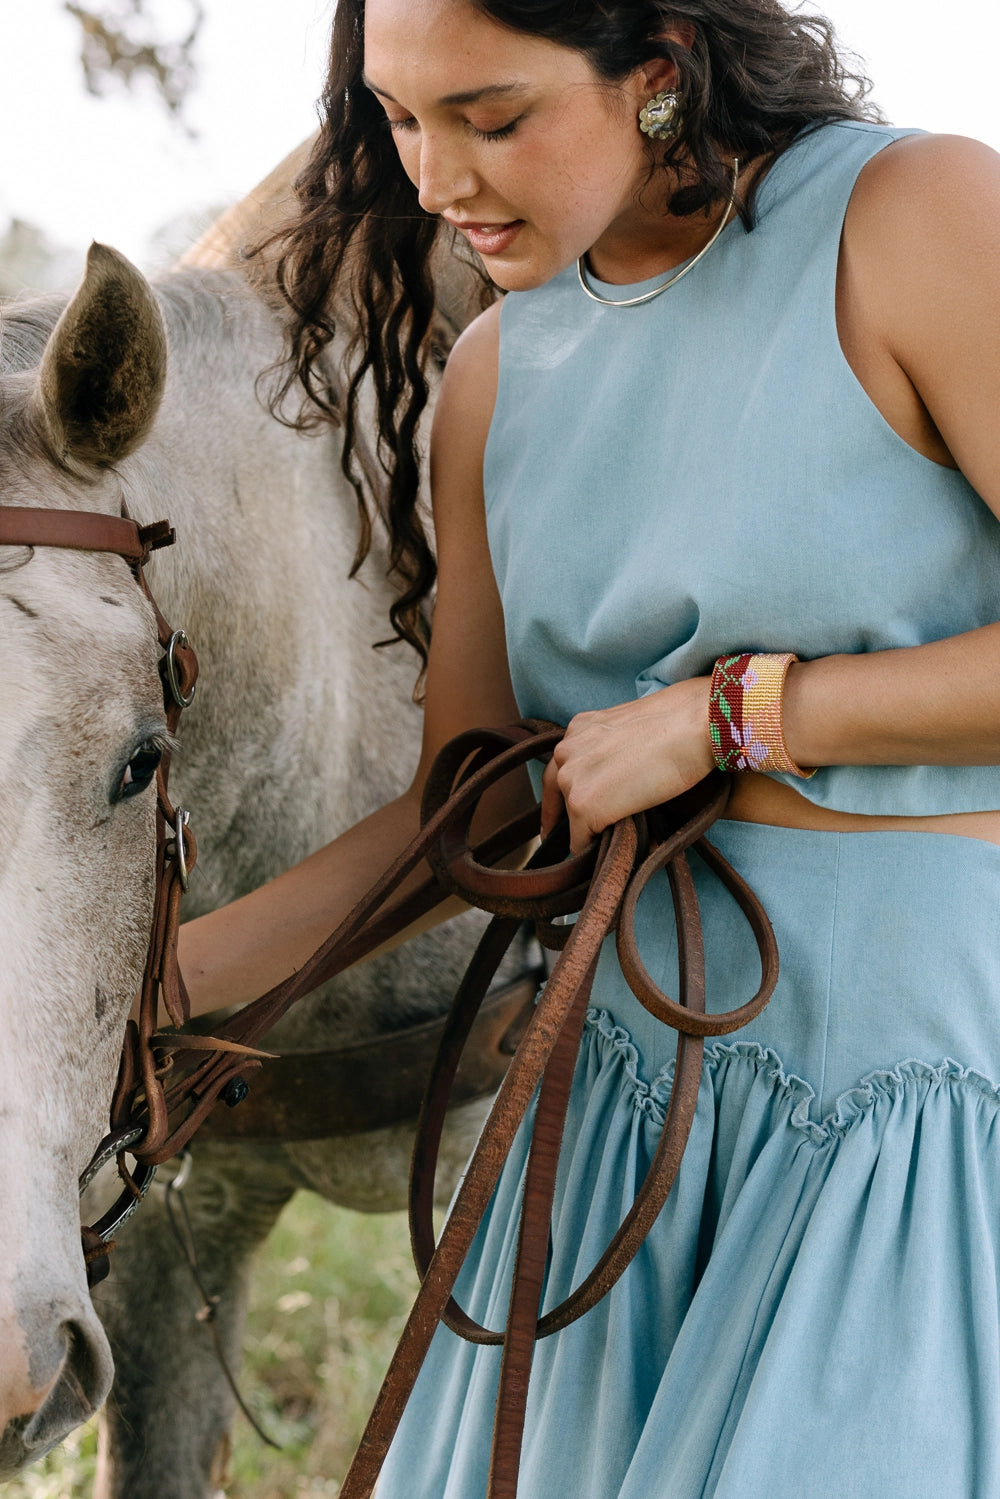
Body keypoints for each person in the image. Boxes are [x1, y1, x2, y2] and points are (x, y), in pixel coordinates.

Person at [179, 0, 1000, 1493]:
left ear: (660, 73)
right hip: (624, 1108)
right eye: (399, 121)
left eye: (494, 119)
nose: (438, 181)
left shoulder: (912, 216)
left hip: (918, 1087)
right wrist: (149, 997)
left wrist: (732, 718)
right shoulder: (495, 377)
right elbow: (477, 811)